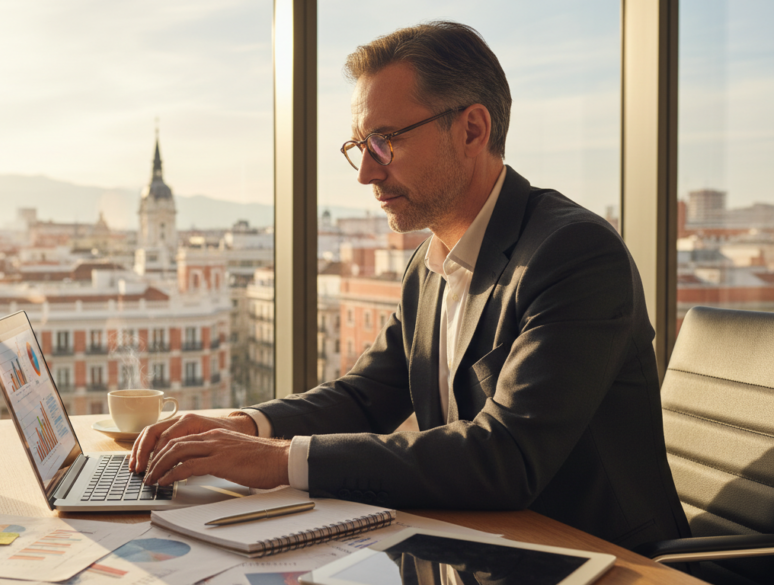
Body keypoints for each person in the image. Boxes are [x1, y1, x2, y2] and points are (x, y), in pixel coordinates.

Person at [130, 21, 690, 549]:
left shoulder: (573, 255)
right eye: (360, 147)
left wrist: (276, 460)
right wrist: (245, 424)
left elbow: (506, 457)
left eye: (385, 141)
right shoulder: (430, 260)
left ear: (472, 129)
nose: (366, 174)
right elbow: (367, 395)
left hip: (597, 559)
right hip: (473, 547)